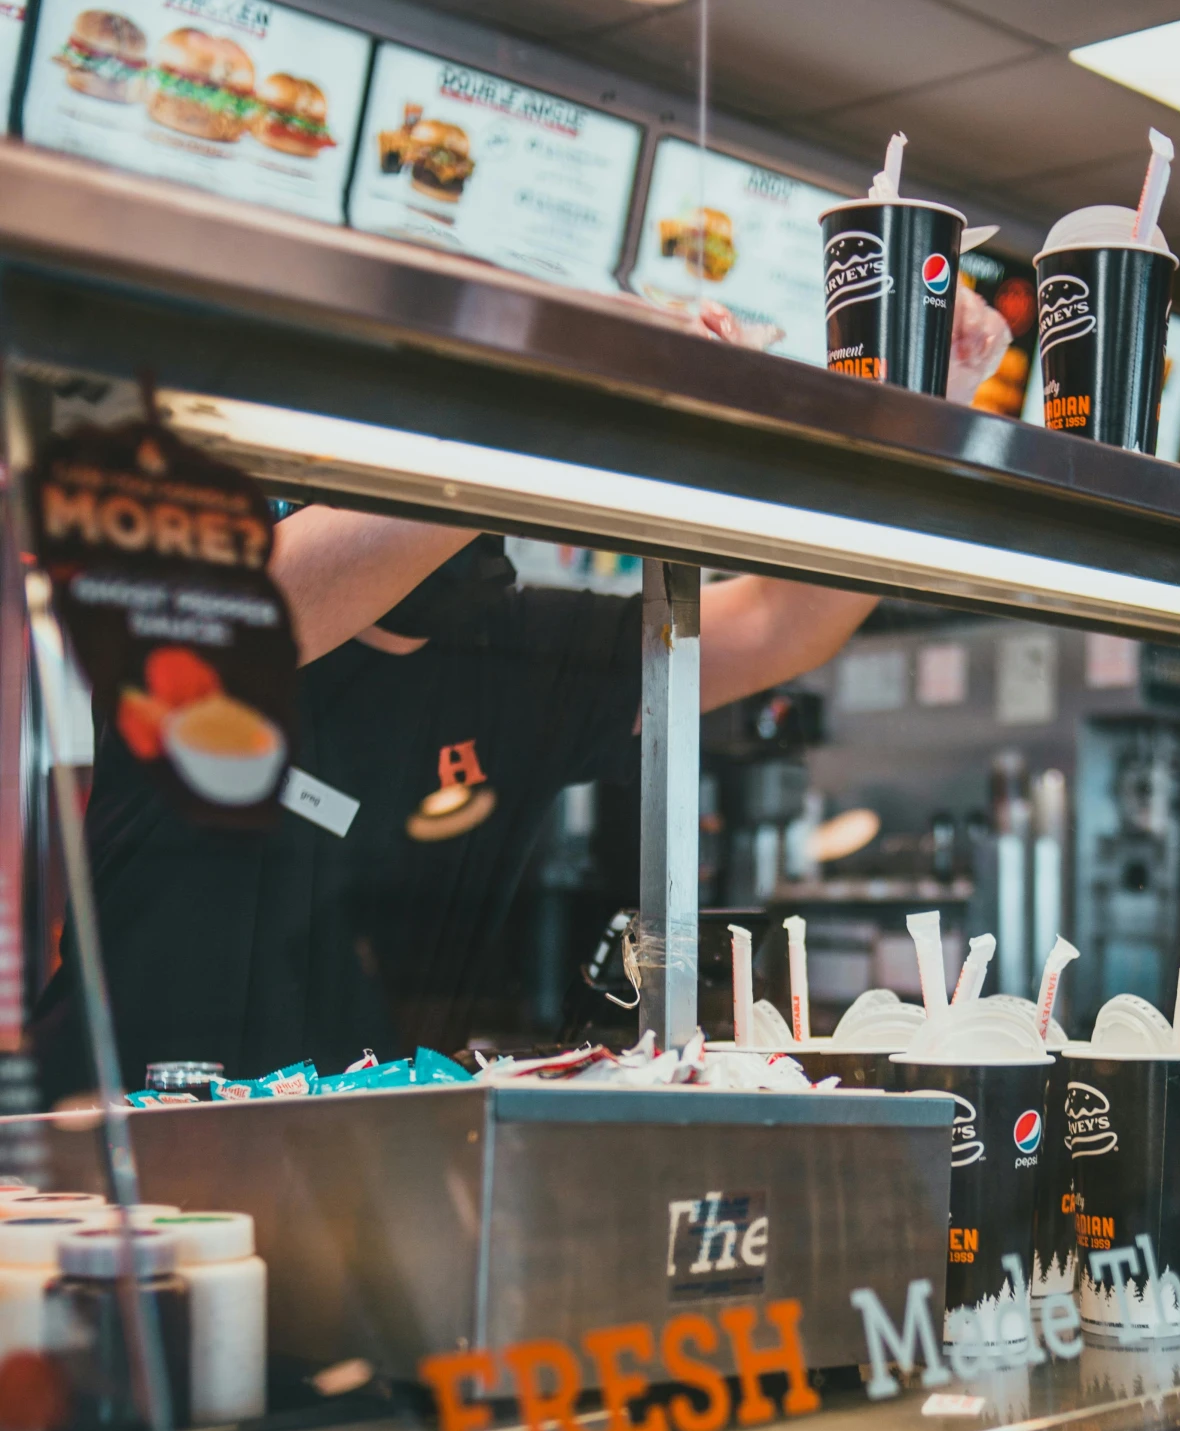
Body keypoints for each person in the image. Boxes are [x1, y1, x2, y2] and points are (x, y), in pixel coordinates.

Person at [31, 287, 1010, 1095]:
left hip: (362, 1154)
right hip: (113, 1149)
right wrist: (571, 389)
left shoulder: (516, 649)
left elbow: (779, 624)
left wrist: (919, 414)